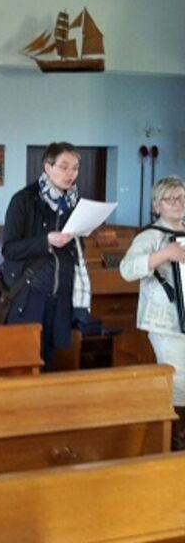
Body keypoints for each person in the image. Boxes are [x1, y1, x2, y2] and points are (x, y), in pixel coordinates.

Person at [1, 142, 89, 370]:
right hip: (30, 295)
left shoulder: (75, 204)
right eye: (64, 167)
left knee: (49, 364)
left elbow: (76, 252)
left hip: (60, 296)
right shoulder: (24, 200)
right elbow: (9, 249)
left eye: (75, 168)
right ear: (48, 167)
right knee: (25, 364)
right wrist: (45, 240)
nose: (71, 174)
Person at [120, 176, 185, 450]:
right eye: (170, 199)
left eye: (181, 198)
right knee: (178, 379)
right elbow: (126, 270)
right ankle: (174, 441)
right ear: (157, 205)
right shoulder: (149, 236)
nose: (177, 204)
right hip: (165, 321)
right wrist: (164, 254)